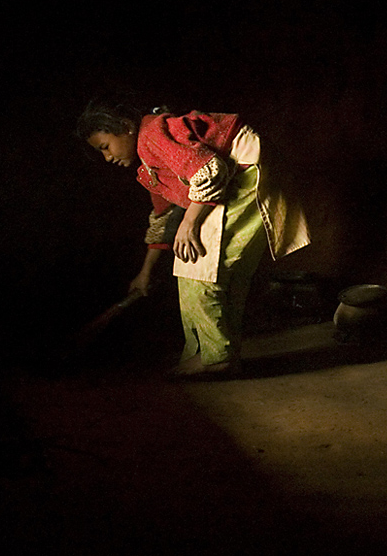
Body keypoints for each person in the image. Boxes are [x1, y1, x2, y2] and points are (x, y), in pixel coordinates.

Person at [77, 97, 310, 378]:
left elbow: (209, 170)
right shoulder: (148, 169)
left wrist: (190, 222)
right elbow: (163, 218)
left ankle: (214, 358)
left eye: (105, 147)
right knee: (222, 274)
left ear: (126, 127)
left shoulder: (151, 134)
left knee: (197, 266)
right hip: (239, 176)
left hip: (247, 169)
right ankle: (219, 355)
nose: (107, 157)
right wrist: (145, 272)